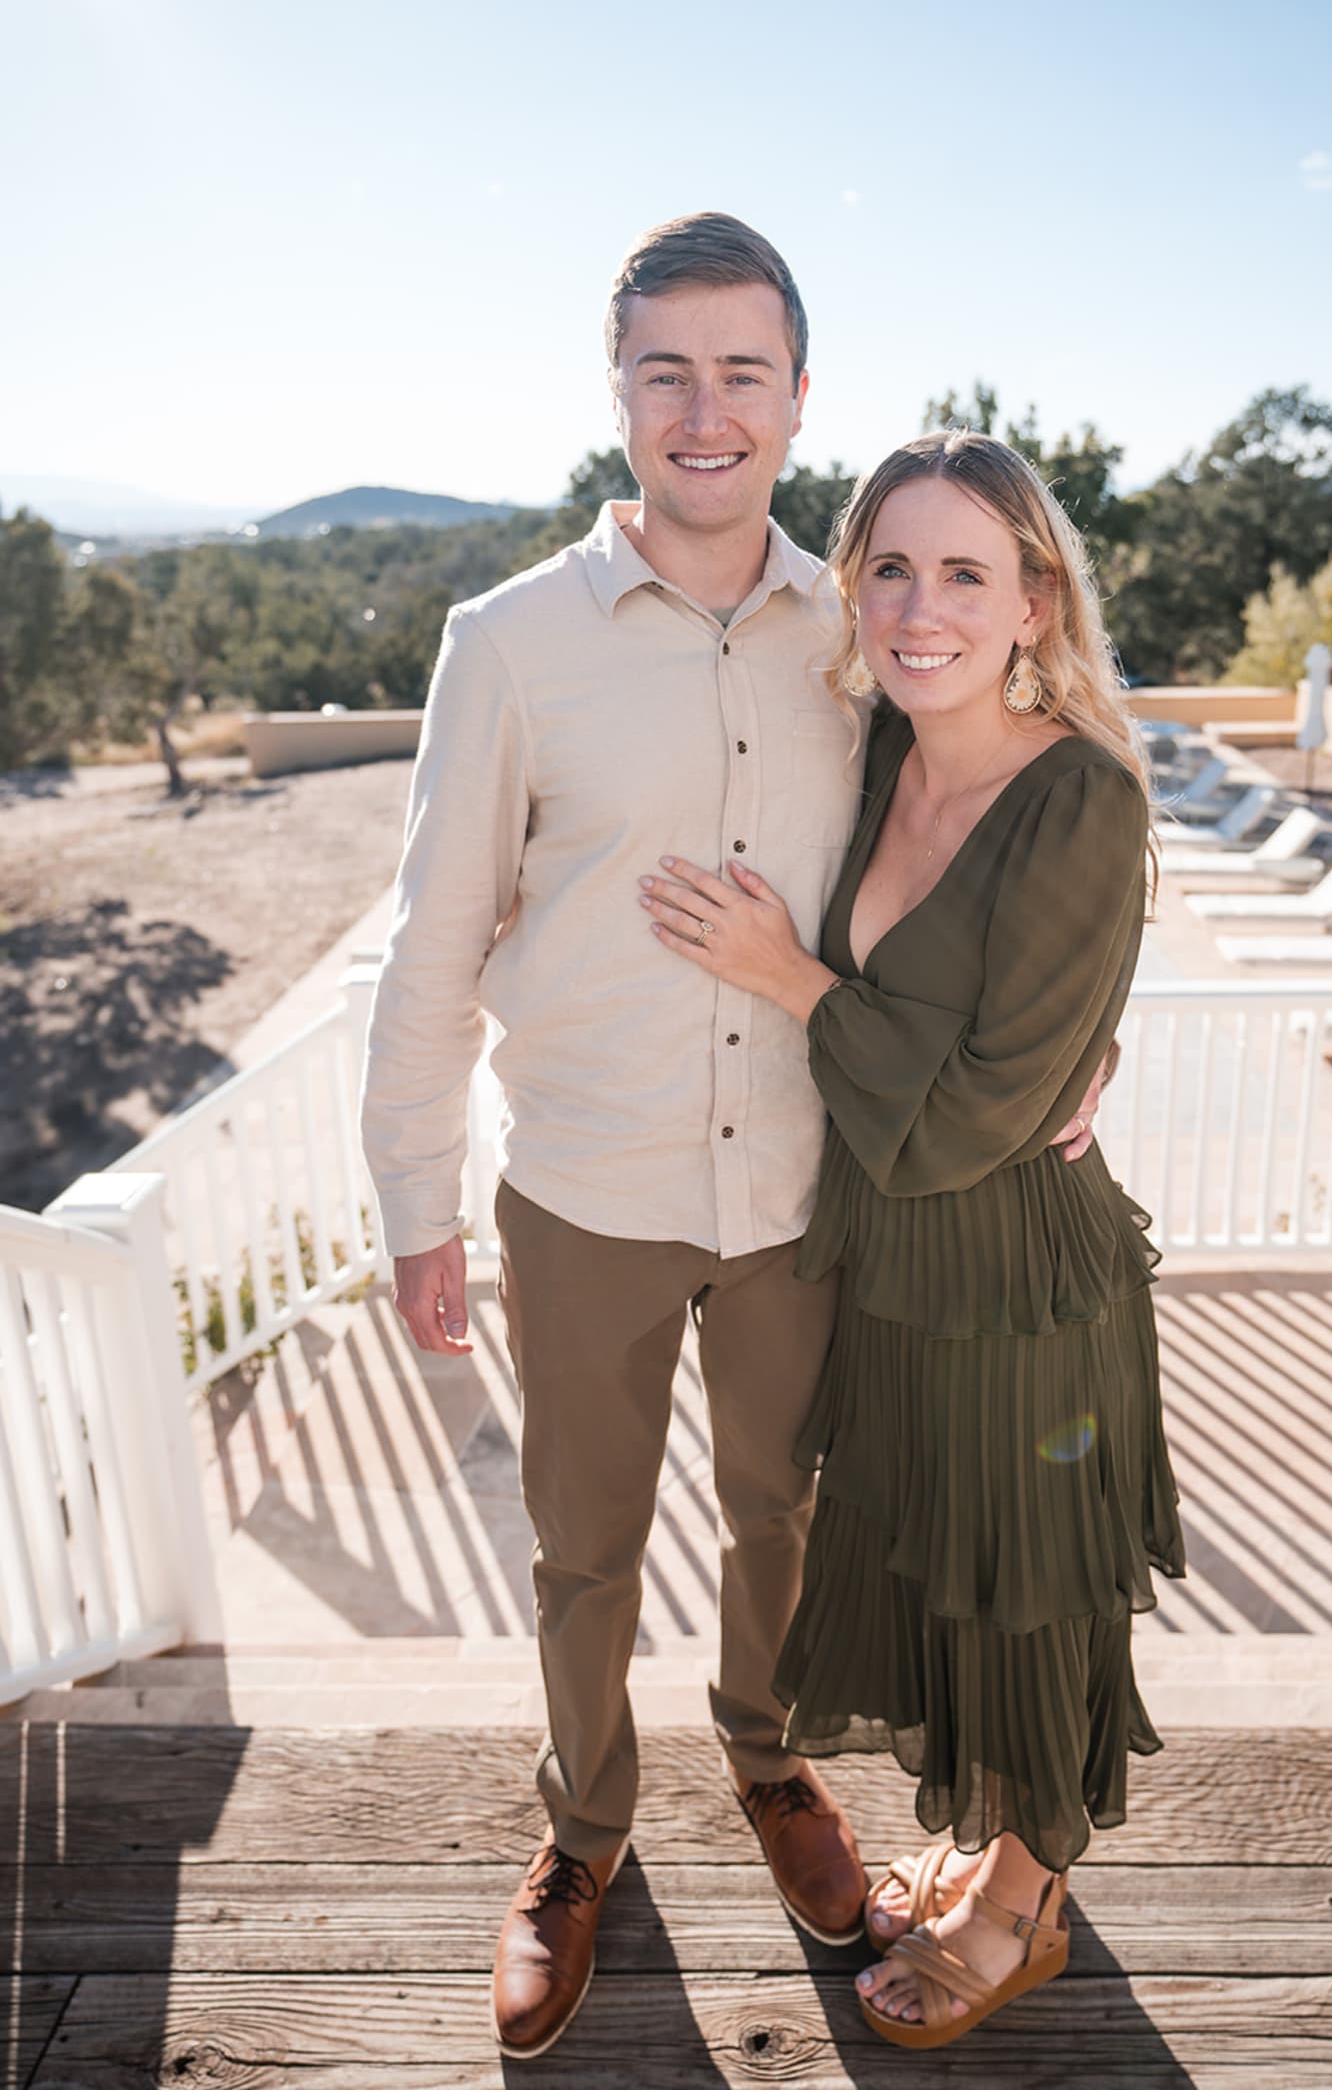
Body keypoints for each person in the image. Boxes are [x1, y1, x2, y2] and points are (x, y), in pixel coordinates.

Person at [361, 217, 1102, 2061]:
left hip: (801, 1189)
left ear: (796, 395)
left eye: (743, 371)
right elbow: (432, 941)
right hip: (586, 1189)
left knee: (789, 1513)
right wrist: (415, 1199)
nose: (707, 410)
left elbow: (991, 824)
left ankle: (771, 1764)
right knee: (583, 1543)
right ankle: (581, 1833)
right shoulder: (506, 643)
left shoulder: (865, 635)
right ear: (617, 390)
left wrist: (1081, 1035)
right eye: (668, 371)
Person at [639, 429, 1184, 2052]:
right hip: (892, 1271)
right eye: (889, 567)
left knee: (1030, 1598)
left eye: (964, 572)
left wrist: (790, 978)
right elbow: (974, 1027)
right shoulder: (882, 749)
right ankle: (990, 1849)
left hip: (1018, 1286)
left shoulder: (1080, 794)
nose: (919, 607)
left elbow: (967, 1121)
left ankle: (1022, 1903)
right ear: (853, 587)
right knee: (949, 1585)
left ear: (1035, 602)